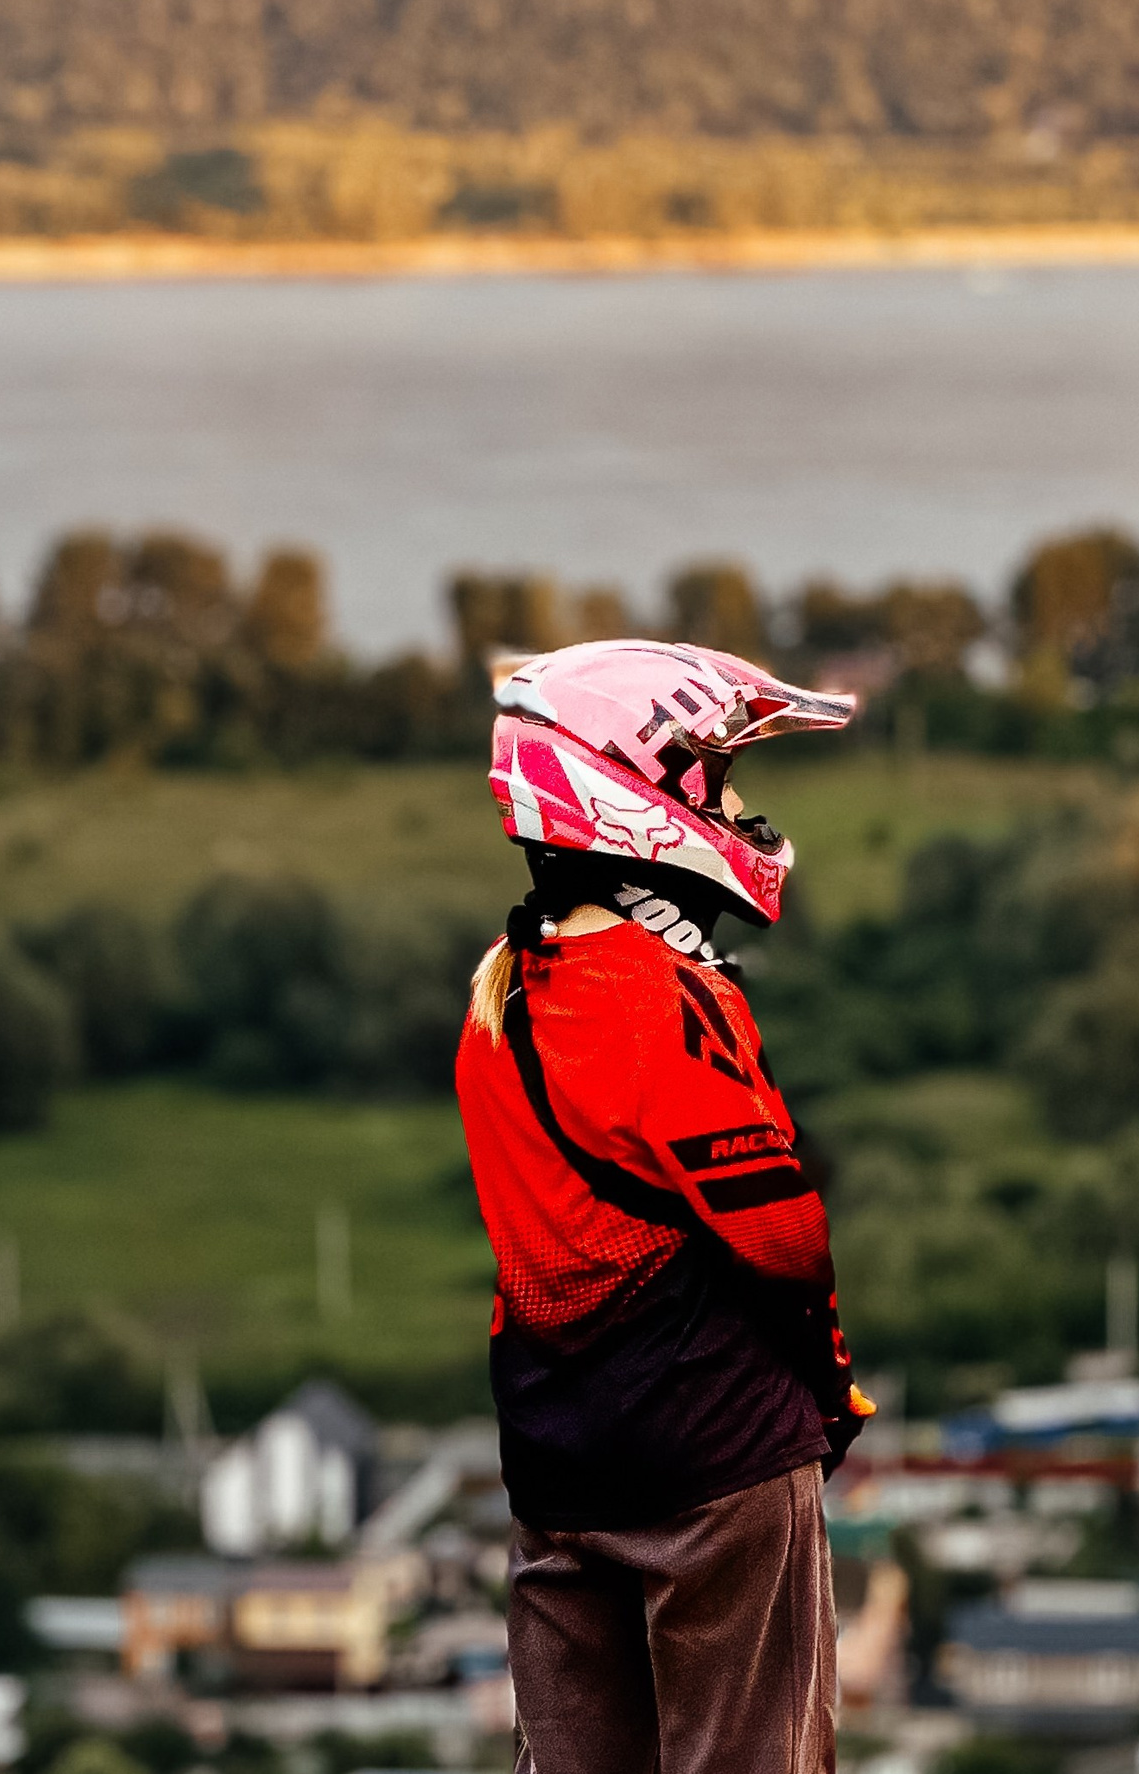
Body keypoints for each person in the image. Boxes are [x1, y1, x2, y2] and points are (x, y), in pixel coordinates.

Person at [455, 638, 871, 1774]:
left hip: (557, 1467)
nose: (740, 807)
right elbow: (782, 1233)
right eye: (716, 782)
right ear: (632, 802)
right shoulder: (667, 1000)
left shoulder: (500, 995)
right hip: (717, 1462)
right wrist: (829, 1391)